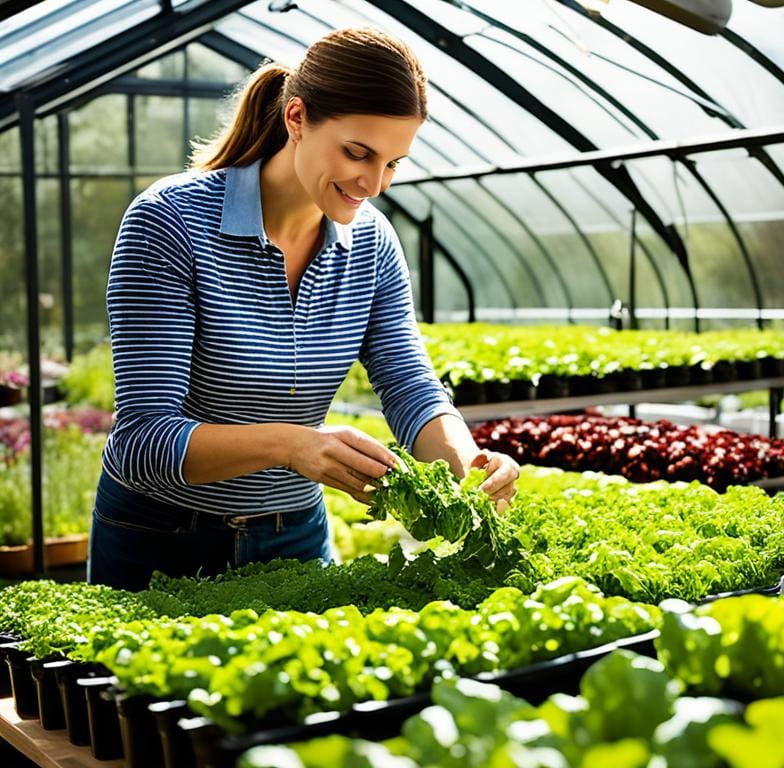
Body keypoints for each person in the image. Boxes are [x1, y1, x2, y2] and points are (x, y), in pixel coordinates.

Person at [87, 27, 519, 591]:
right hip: (160, 535)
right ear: (296, 119)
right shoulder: (169, 223)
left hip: (293, 534)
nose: (374, 183)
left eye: (394, 163)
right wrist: (294, 445)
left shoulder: (372, 243)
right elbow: (144, 442)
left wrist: (469, 467)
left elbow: (411, 388)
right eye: (357, 153)